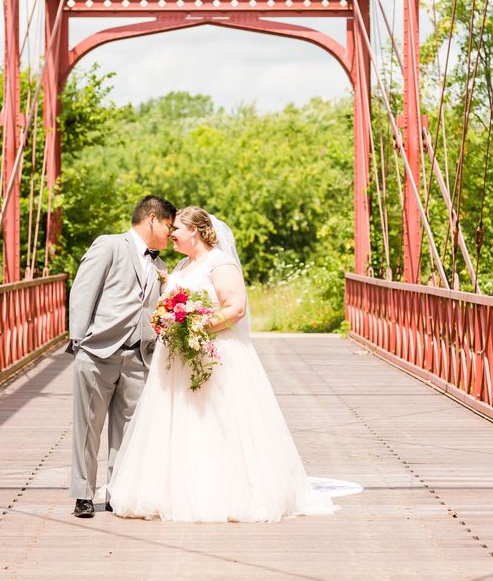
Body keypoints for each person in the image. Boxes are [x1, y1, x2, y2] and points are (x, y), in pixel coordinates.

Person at [105, 207, 361, 522]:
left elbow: (236, 308)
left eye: (178, 230)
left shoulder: (220, 264)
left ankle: (224, 494)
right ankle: (174, 491)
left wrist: (195, 326)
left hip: (214, 354)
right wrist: (166, 319)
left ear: (194, 231)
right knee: (177, 423)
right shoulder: (184, 265)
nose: (172, 234)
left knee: (218, 421)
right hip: (178, 358)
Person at [67, 194, 176, 518]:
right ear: (152, 220)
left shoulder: (160, 266)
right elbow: (83, 290)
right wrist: (79, 340)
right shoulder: (110, 245)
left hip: (139, 356)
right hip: (99, 350)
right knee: (88, 427)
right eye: (169, 227)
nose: (170, 235)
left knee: (129, 432)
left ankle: (119, 492)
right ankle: (83, 495)